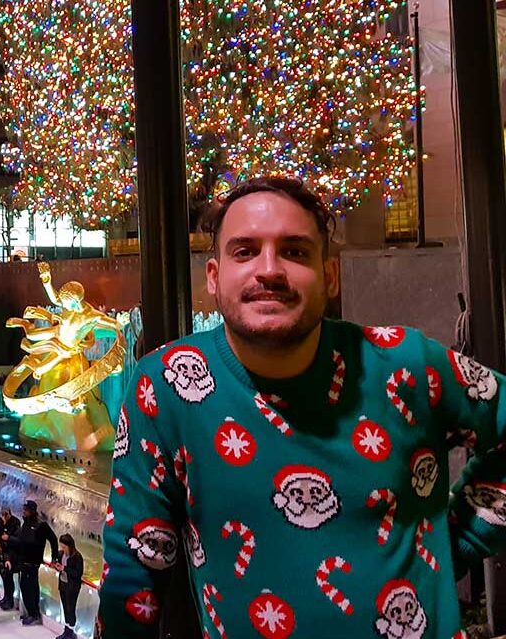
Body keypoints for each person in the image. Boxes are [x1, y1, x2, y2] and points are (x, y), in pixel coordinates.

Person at [100, 175, 506, 636]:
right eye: (245, 251)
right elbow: (134, 568)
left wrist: (464, 539)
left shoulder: (406, 365)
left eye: (294, 251)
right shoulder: (168, 384)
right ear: (214, 278)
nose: (269, 269)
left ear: (328, 276)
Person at [9, 500, 57, 625]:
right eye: (23, 509)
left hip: (33, 563)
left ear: (32, 511)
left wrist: (54, 558)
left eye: (26, 510)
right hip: (23, 562)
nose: (23, 511)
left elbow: (53, 539)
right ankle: (31, 612)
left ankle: (34, 614)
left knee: (30, 588)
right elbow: (22, 541)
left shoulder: (41, 525)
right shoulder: (25, 523)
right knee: (25, 587)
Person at [54, 534, 83, 639]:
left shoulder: (77, 557)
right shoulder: (61, 554)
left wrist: (64, 568)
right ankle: (66, 630)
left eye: (64, 547)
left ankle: (71, 632)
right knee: (65, 608)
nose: (62, 549)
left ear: (70, 546)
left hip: (72, 587)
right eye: (61, 546)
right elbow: (59, 565)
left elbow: (78, 573)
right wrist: (57, 567)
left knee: (71, 608)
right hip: (62, 584)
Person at [0, 506, 21, 610]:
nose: (4, 517)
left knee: (8, 578)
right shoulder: (0, 522)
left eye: (6, 514)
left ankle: (10, 600)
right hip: (2, 553)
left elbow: (18, 540)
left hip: (12, 555)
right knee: (4, 577)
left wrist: (8, 538)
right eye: (2, 514)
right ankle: (6, 597)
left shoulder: (16, 523)